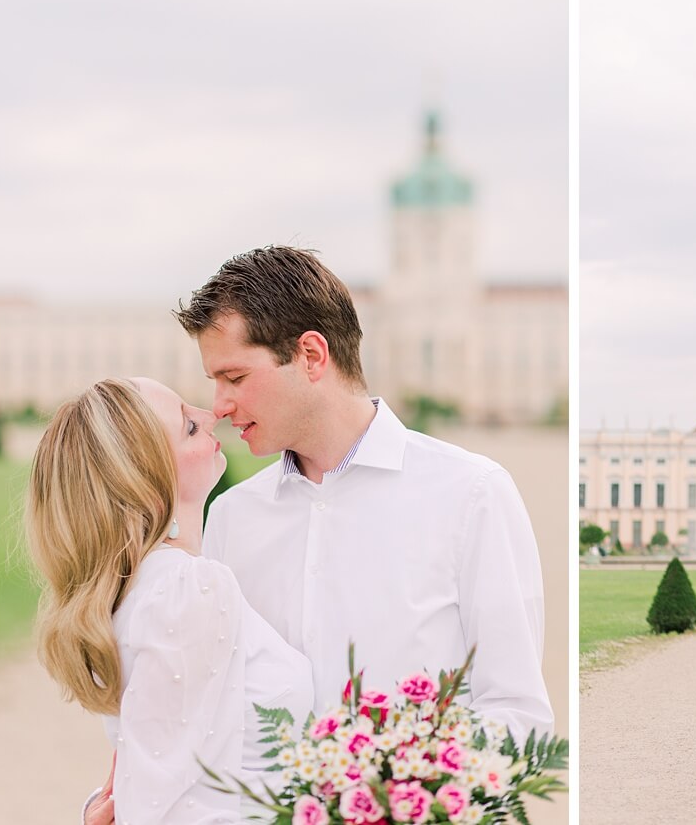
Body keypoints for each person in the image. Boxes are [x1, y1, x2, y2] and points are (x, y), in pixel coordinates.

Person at [175, 246, 552, 737]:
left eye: (236, 377)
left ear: (311, 356)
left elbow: (515, 711)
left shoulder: (473, 494)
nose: (220, 405)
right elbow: (213, 710)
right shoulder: (230, 516)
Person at [28, 378, 313, 824]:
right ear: (149, 479)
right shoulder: (186, 588)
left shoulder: (138, 590)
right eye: (189, 427)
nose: (211, 413)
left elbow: (159, 782)